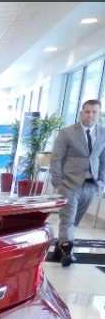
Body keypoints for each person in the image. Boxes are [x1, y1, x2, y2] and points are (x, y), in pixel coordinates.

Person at [49, 98, 105, 267]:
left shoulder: (103, 133)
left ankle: (61, 246)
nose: (90, 115)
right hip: (69, 184)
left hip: (91, 184)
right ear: (82, 112)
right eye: (87, 111)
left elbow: (103, 160)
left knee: (75, 220)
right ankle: (67, 250)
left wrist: (101, 181)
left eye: (94, 112)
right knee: (68, 217)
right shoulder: (67, 133)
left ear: (99, 114)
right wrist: (58, 182)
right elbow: (56, 158)